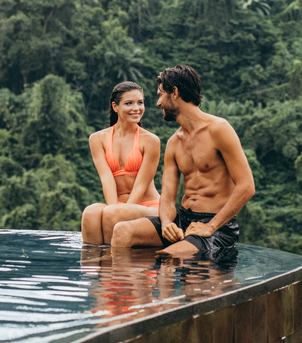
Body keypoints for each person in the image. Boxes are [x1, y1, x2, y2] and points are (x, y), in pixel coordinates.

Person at [111, 65, 255, 257]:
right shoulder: (174, 142)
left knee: (168, 258)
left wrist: (210, 227)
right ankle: (124, 287)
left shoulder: (219, 129)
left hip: (217, 226)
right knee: (122, 231)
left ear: (175, 93)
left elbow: (246, 186)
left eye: (161, 95)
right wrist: (167, 223)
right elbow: (168, 198)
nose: (158, 103)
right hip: (183, 220)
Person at [80, 81, 161, 244]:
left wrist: (119, 211)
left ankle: (112, 262)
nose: (136, 108)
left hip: (148, 206)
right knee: (90, 213)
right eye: (129, 103)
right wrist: (113, 208)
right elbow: (106, 178)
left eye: (140, 102)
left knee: (113, 213)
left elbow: (141, 185)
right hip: (117, 206)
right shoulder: (97, 139)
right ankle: (97, 266)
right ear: (115, 107)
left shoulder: (150, 140)